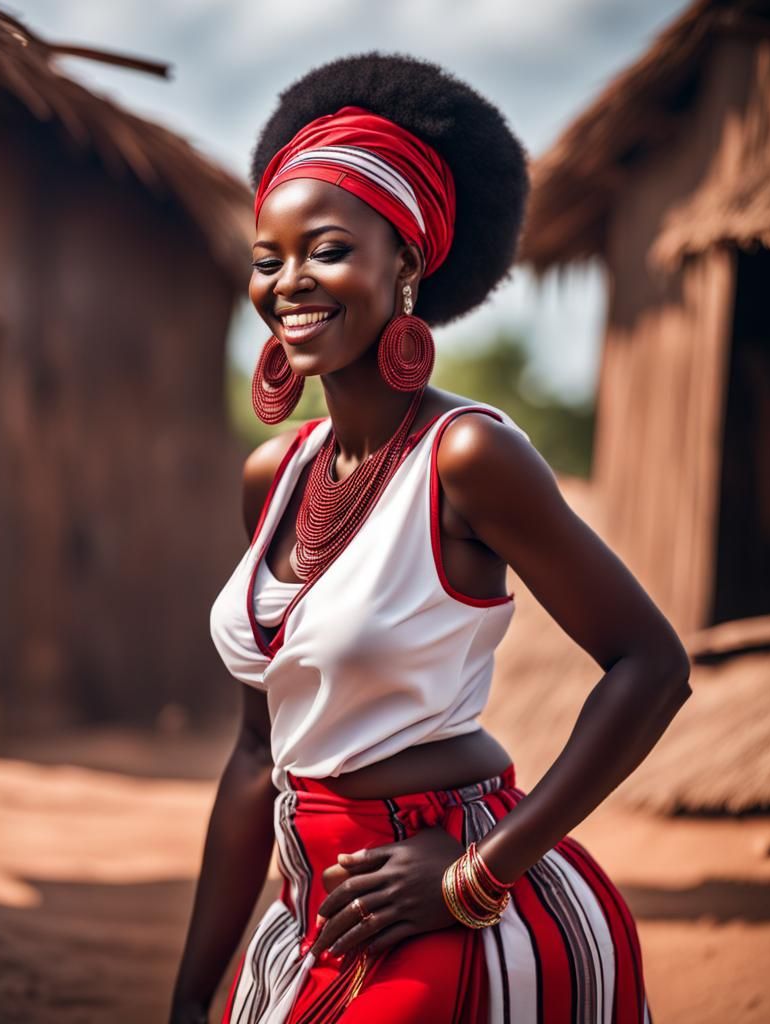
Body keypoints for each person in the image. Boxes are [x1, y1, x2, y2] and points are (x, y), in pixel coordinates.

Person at [170, 52, 691, 1024]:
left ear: (404, 264)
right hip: (308, 913)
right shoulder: (272, 479)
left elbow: (649, 663)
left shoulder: (467, 457)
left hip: (448, 900)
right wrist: (192, 995)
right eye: (267, 257)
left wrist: (474, 874)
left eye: (327, 249)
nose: (289, 281)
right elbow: (255, 756)